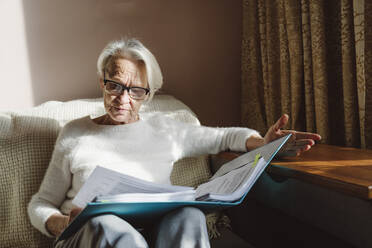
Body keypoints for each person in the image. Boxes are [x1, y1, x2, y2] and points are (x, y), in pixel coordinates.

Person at [28, 38, 321, 248]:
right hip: (89, 234)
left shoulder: (165, 129)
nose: (123, 98)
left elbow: (224, 137)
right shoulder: (75, 133)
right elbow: (41, 203)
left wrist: (261, 142)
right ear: (101, 83)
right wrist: (60, 223)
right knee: (110, 226)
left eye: (136, 90)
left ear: (148, 95)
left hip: (153, 231)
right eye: (114, 85)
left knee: (189, 215)